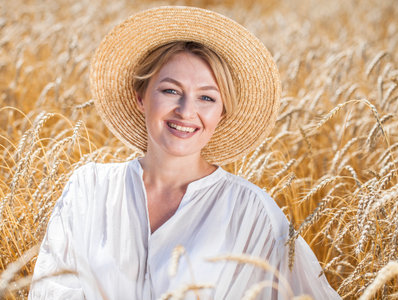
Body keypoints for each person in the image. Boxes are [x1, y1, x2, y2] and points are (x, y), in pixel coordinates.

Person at [29, 6, 341, 300]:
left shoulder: (252, 212)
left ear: (222, 113)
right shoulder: (89, 189)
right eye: (170, 91)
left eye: (206, 98)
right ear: (140, 96)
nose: (186, 111)